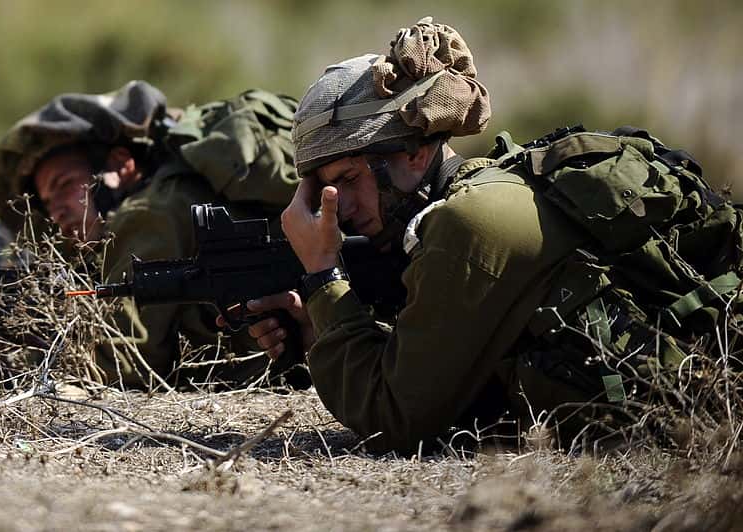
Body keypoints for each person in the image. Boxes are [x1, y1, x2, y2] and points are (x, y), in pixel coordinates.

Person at [245, 18, 742, 454]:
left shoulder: (471, 221)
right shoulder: (480, 195)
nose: (340, 209)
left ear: (416, 153)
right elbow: (453, 387)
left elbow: (392, 420)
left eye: (348, 180)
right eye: (324, 189)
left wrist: (322, 274)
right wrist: (322, 330)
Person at [0, 80, 306, 390]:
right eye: (47, 203)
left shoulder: (147, 213)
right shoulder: (176, 192)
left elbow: (123, 367)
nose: (56, 210)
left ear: (121, 165)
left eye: (64, 186)